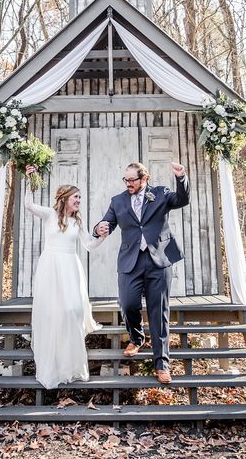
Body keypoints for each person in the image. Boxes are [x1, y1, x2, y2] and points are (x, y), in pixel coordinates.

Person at [94, 161, 189, 384]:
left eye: (132, 180)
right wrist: (99, 228)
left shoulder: (161, 193)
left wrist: (181, 177)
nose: (128, 184)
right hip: (130, 261)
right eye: (125, 180)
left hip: (159, 259)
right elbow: (107, 221)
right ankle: (136, 337)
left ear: (144, 179)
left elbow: (182, 200)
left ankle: (162, 364)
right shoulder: (118, 201)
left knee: (159, 312)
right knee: (127, 303)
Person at [25, 165, 104, 389]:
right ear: (66, 198)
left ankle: (71, 366)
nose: (79, 200)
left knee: (72, 311)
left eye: (79, 197)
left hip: (70, 268)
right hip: (50, 267)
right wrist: (30, 178)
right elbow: (29, 205)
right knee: (53, 314)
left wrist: (102, 236)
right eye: (76, 197)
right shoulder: (50, 215)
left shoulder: (77, 221)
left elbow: (89, 245)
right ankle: (53, 367)